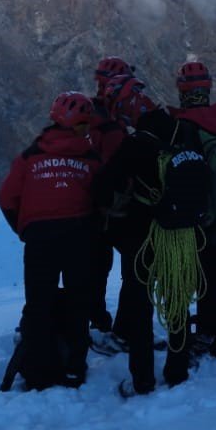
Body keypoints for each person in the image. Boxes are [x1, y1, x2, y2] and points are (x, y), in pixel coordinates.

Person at [96, 74, 209, 395]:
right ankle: (177, 368)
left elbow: (104, 185)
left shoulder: (135, 144)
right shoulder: (185, 130)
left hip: (142, 236)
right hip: (183, 232)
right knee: (178, 297)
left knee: (140, 304)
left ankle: (142, 378)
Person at [0, 91, 102, 390]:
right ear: (79, 124)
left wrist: (24, 229)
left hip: (40, 238)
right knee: (78, 301)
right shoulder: (90, 158)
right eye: (85, 124)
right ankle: (74, 368)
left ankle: (38, 371)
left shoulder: (32, 155)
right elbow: (101, 196)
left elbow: (6, 197)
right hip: (78, 236)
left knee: (38, 304)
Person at [170, 61, 216, 344]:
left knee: (183, 278)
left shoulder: (185, 128)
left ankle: (183, 337)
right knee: (210, 276)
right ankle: (210, 329)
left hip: (195, 218)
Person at [88, 56, 133, 333]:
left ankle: (94, 318)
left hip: (84, 206)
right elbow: (119, 168)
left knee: (92, 268)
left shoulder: (85, 116)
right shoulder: (112, 127)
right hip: (111, 209)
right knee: (133, 266)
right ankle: (122, 327)